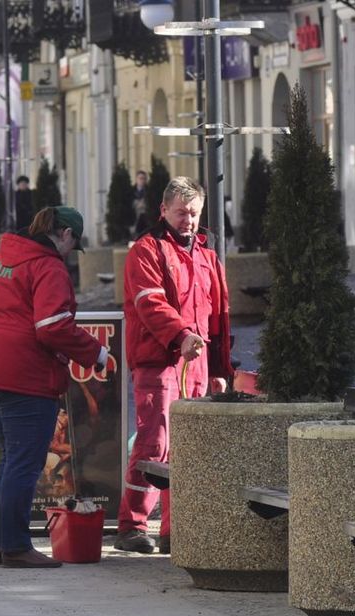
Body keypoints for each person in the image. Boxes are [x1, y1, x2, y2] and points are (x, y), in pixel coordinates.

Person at [0, 206, 112, 568]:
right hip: (23, 377)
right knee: (25, 464)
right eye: (72, 243)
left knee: (11, 460)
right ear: (64, 234)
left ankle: (1, 545)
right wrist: (96, 352)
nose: (69, 253)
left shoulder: (4, 257)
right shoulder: (47, 266)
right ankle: (14, 547)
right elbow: (52, 326)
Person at [117, 177, 232, 554]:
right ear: (163, 210)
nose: (189, 220)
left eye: (194, 213)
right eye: (181, 212)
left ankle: (174, 530)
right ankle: (132, 525)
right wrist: (181, 336)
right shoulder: (147, 251)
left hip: (195, 361)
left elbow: (219, 318)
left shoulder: (206, 256)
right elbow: (150, 303)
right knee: (155, 444)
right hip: (161, 361)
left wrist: (219, 369)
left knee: (188, 446)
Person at [132, 170, 149, 238]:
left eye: (144, 178)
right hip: (135, 215)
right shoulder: (132, 190)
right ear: (136, 179)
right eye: (140, 178)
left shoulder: (149, 190)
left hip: (145, 215)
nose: (142, 180)